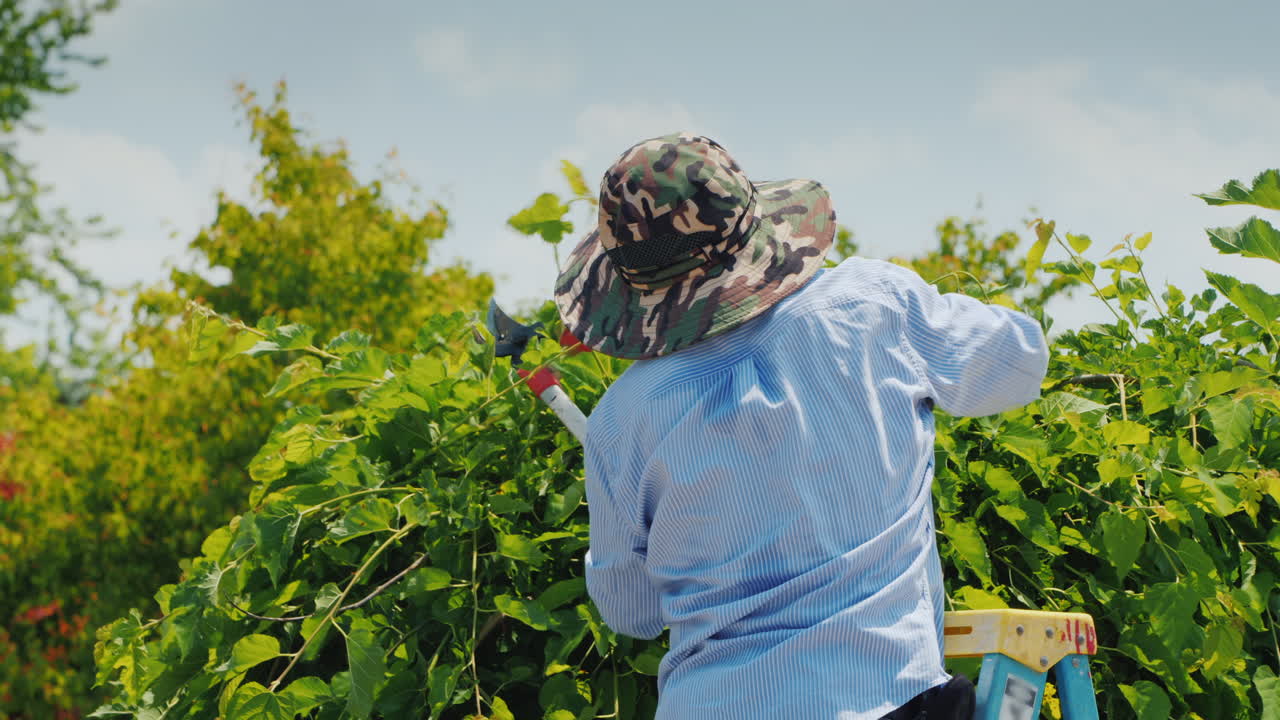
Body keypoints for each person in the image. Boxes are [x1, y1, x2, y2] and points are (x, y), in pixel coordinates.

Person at [553, 133, 1048, 720]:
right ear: (759, 230)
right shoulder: (871, 305)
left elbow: (630, 613)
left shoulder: (620, 417)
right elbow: (1020, 363)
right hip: (886, 698)